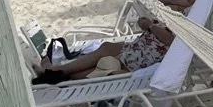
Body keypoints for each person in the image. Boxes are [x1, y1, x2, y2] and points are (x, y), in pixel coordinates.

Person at [32, 10, 174, 83]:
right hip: (138, 50)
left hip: (137, 59)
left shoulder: (189, 23)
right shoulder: (190, 11)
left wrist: (150, 25)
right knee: (106, 48)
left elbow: (169, 39)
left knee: (88, 70)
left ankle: (53, 73)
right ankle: (54, 71)